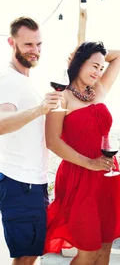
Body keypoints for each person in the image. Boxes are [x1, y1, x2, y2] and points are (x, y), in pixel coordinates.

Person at [44, 41, 120, 265]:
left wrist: (98, 53)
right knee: (88, 251)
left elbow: (119, 55)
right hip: (79, 178)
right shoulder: (61, 96)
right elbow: (52, 141)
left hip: (109, 176)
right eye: (94, 66)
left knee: (106, 247)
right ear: (78, 63)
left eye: (101, 68)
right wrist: (89, 163)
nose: (99, 72)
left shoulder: (97, 90)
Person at [0, 17, 62, 265]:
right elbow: (2, 123)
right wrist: (38, 110)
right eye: (28, 45)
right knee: (26, 257)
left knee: (31, 254)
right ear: (11, 42)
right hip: (19, 181)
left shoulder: (28, 82)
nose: (35, 51)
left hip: (33, 182)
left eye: (38, 44)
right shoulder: (7, 80)